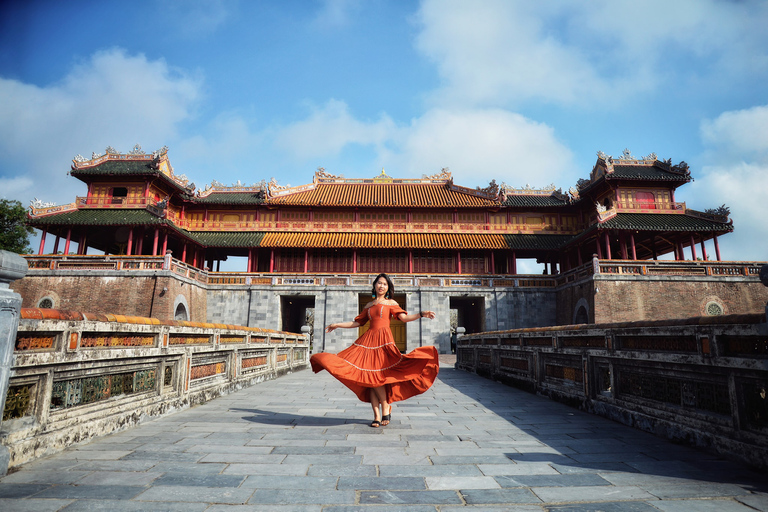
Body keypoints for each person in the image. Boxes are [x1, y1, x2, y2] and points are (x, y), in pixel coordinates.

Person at [310, 273, 439, 427]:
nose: (381, 286)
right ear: (375, 285)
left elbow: (404, 318)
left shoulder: (391, 303)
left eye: (384, 284)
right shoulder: (368, 306)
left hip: (384, 343)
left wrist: (421, 314)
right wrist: (337, 324)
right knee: (369, 378)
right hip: (367, 342)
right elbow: (356, 323)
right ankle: (377, 415)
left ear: (388, 287)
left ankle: (385, 407)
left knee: (376, 377)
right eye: (379, 283)